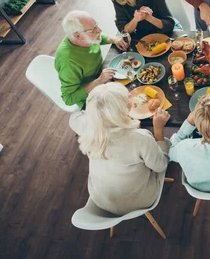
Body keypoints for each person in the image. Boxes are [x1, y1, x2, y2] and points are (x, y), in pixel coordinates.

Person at [70, 83, 171, 215]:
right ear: (121, 110)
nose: (130, 97)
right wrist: (158, 128)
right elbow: (161, 166)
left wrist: (94, 115)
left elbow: (73, 118)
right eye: (127, 98)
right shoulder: (140, 138)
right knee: (166, 143)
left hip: (100, 200)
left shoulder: (87, 126)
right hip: (140, 200)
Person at [54, 10, 129, 108]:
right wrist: (99, 81)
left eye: (96, 25)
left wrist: (114, 39)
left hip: (103, 76)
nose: (100, 30)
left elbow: (99, 37)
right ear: (78, 36)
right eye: (93, 30)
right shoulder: (68, 62)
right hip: (92, 97)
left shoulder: (84, 38)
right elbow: (68, 99)